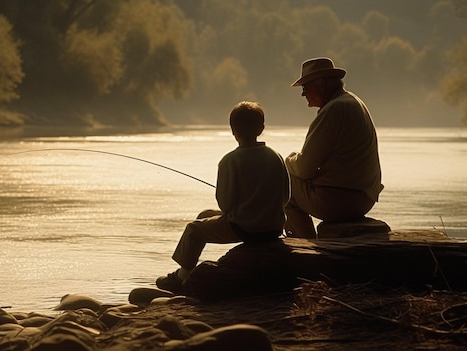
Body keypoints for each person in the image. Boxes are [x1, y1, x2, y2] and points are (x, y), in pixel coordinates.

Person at [156, 101, 290, 294]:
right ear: (261, 128)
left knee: (194, 230)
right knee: (205, 215)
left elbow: (226, 206)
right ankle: (187, 273)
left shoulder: (230, 160)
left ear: (233, 130)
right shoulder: (275, 156)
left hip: (245, 228)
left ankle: (181, 278)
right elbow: (285, 198)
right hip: (274, 227)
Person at [285, 57, 383, 238]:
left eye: (305, 87)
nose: (303, 94)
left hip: (340, 201)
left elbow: (304, 168)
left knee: (283, 183)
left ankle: (303, 249)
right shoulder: (353, 102)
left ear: (321, 84)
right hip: (365, 198)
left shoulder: (333, 110)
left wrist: (287, 160)